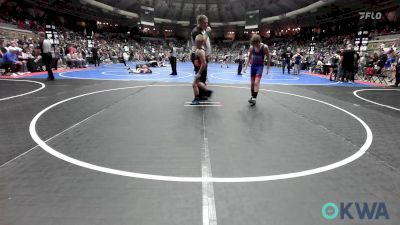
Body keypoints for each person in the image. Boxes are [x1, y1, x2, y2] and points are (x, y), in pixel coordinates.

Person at [244, 34, 270, 106]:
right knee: (252, 83)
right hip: (253, 67)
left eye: (256, 44)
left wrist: (268, 68)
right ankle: (253, 97)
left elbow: (268, 57)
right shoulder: (252, 47)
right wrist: (245, 67)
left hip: (259, 67)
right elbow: (249, 58)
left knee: (256, 82)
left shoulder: (264, 47)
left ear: (258, 42)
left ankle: (254, 98)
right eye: (253, 45)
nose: (255, 46)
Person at [190, 14, 212, 100]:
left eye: (207, 23)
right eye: (205, 23)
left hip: (202, 55)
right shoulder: (196, 31)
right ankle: (202, 94)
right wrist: (207, 32)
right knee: (200, 76)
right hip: (199, 56)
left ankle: (204, 93)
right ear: (200, 23)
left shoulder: (201, 30)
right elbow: (201, 43)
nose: (207, 24)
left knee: (202, 76)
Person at [191, 35, 213, 105]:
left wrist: (199, 73)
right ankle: (207, 91)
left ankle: (196, 99)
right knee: (197, 83)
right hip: (199, 69)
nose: (196, 44)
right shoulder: (198, 49)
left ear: (202, 43)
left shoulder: (201, 51)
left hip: (201, 70)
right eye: (196, 42)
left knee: (194, 84)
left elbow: (204, 63)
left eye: (198, 43)